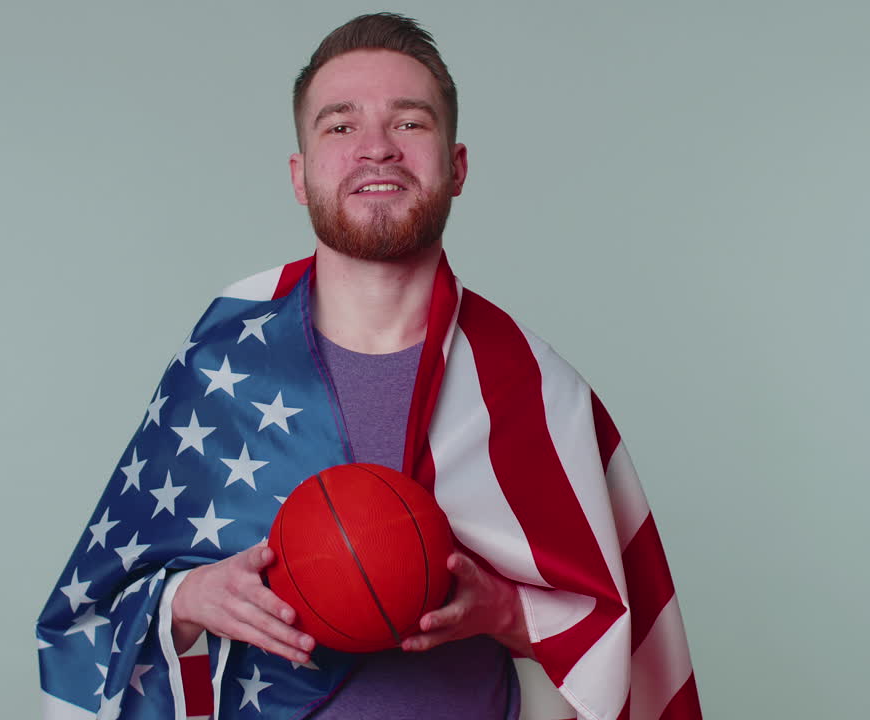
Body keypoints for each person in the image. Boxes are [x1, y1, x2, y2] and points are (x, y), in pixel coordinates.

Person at [37, 13, 700, 720]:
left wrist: (507, 611)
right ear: (300, 174)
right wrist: (187, 599)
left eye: (410, 123)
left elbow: (622, 640)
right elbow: (87, 618)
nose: (376, 148)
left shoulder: (537, 391)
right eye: (340, 126)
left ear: (457, 167)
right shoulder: (218, 371)